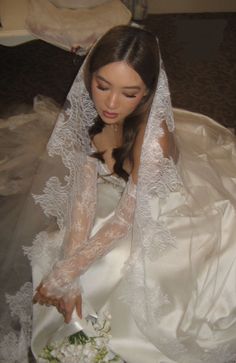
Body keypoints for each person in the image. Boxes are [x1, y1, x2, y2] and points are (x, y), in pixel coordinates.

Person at [1, 25, 236, 363]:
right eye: (102, 86)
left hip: (161, 209)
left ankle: (108, 334)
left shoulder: (152, 139)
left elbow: (128, 217)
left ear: (148, 93)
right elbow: (82, 196)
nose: (110, 104)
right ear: (89, 78)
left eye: (129, 93)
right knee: (59, 242)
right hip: (118, 190)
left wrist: (69, 271)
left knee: (113, 263)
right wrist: (69, 270)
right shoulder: (87, 114)